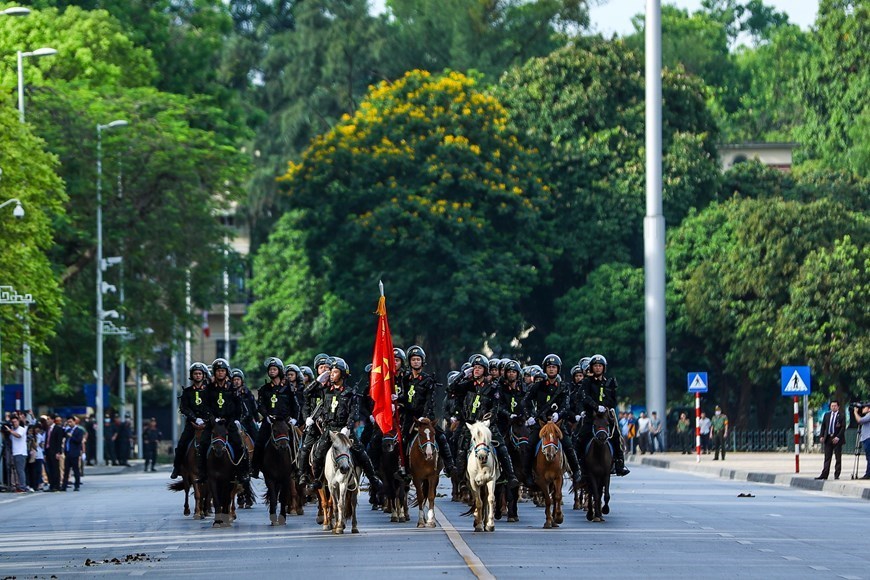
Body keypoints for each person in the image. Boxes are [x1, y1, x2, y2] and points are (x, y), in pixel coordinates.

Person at [298, 358, 381, 491]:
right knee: (318, 454)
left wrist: (347, 428)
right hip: (329, 430)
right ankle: (317, 480)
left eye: (334, 372)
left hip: (344, 430)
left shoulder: (349, 393)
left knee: (361, 452)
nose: (331, 374)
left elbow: (353, 413)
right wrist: (318, 381)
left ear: (342, 375)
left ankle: (373, 478)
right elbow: (306, 393)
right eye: (331, 372)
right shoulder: (325, 391)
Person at [522, 354, 582, 488]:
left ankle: (576, 471)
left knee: (568, 445)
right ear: (545, 369)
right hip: (541, 423)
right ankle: (527, 475)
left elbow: (566, 405)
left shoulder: (563, 386)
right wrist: (529, 416)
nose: (551, 370)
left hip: (558, 424)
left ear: (558, 369)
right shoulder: (537, 386)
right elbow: (525, 401)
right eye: (549, 367)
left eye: (554, 367)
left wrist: (558, 414)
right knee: (530, 445)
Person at [396, 345, 456, 477]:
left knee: (441, 436)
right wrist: (397, 399)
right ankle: (404, 469)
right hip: (410, 417)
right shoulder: (405, 379)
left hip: (425, 416)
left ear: (422, 361)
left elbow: (430, 401)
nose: (416, 362)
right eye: (413, 360)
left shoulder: (428, 380)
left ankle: (450, 465)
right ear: (409, 362)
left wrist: (424, 417)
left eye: (418, 359)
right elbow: (406, 397)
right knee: (402, 439)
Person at [577, 354, 630, 476]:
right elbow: (584, 397)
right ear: (592, 367)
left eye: (600, 366)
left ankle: (619, 464)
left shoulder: (609, 383)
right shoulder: (587, 382)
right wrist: (595, 407)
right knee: (580, 437)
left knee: (616, 437)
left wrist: (605, 407)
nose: (597, 368)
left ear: (603, 368)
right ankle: (578, 466)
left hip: (605, 417)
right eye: (595, 366)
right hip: (591, 417)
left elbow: (614, 401)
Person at [197, 357, 248, 484]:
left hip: (228, 423)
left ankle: (241, 472)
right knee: (202, 444)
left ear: (227, 372)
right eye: (218, 371)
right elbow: (204, 406)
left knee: (239, 445)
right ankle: (202, 473)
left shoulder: (233, 388)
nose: (220, 373)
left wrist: (235, 419)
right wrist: (212, 418)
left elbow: (239, 406)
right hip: (213, 423)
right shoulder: (208, 388)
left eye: (222, 371)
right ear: (214, 372)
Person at [251, 357, 299, 479]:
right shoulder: (264, 389)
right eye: (270, 369)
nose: (272, 371)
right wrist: (266, 416)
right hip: (270, 422)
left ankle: (298, 468)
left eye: (274, 369)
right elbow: (260, 406)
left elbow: (295, 405)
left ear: (279, 371)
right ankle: (255, 468)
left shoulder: (289, 388)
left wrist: (294, 419)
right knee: (259, 442)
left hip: (285, 422)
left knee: (296, 442)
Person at [170, 362, 212, 479]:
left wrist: (206, 419)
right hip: (192, 424)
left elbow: (212, 406)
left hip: (208, 424)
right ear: (192, 376)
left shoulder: (210, 391)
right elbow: (184, 408)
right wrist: (194, 418)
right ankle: (177, 467)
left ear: (204, 376)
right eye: (195, 374)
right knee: (182, 443)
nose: (198, 376)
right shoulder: (187, 392)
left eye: (200, 373)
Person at [816, 400, 846, 480]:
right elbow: (823, 426)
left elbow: (843, 427)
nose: (833, 407)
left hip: (837, 438)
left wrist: (838, 437)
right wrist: (822, 436)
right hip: (828, 438)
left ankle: (837, 474)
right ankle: (824, 474)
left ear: (838, 407)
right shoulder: (827, 415)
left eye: (835, 406)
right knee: (827, 457)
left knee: (838, 457)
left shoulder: (841, 416)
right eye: (832, 406)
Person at [4, 416, 29, 492]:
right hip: (15, 453)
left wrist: (10, 431)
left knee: (20, 470)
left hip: (20, 453)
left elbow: (18, 436)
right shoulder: (14, 430)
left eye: (15, 421)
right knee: (17, 470)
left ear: (18, 421)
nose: (14, 423)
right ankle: (20, 485)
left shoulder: (21, 429)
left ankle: (23, 486)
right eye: (13, 422)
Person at [62, 417, 85, 491]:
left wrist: (71, 436)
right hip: (68, 453)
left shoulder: (79, 431)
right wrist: (64, 426)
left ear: (75, 422)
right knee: (66, 471)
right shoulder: (67, 430)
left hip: (74, 453)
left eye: (71, 422)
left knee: (76, 470)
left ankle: (77, 485)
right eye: (68, 422)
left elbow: (78, 441)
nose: (69, 423)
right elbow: (62, 434)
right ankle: (64, 485)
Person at [45, 415, 64, 491]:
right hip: (48, 451)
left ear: (53, 420)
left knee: (55, 468)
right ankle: (51, 485)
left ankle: (57, 485)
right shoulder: (48, 429)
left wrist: (58, 452)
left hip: (55, 451)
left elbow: (59, 441)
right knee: (49, 469)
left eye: (48, 419)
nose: (47, 421)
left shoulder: (58, 429)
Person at [852, 403, 870, 479]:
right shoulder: (867, 415)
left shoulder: (869, 415)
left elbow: (859, 420)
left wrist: (855, 412)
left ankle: (868, 474)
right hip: (866, 438)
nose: (862, 409)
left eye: (864, 407)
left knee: (869, 457)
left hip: (868, 438)